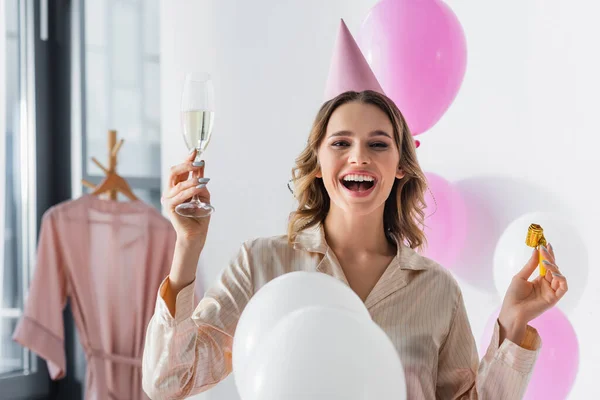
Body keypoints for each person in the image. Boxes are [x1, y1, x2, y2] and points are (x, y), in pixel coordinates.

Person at [142, 21, 568, 400]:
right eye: (341, 142)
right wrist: (188, 247)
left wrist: (512, 322)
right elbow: (167, 382)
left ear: (401, 166)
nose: (359, 156)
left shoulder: (437, 290)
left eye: (378, 144)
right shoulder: (260, 264)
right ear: (319, 162)